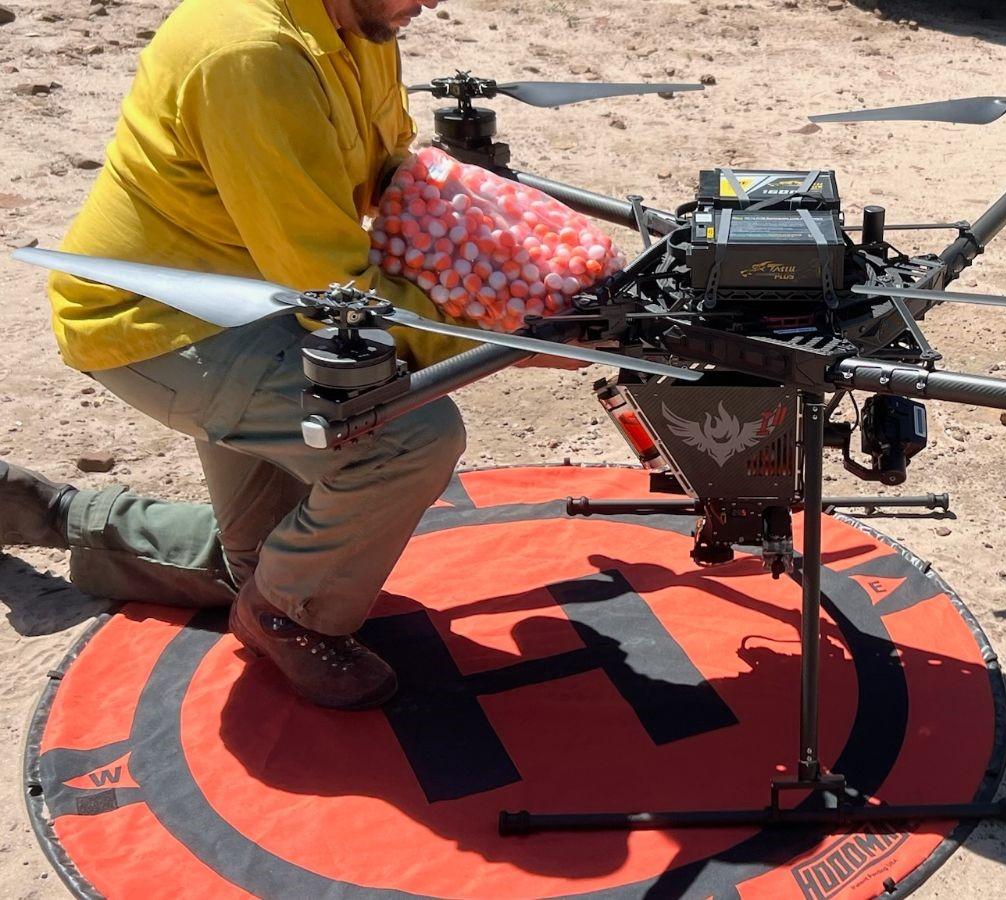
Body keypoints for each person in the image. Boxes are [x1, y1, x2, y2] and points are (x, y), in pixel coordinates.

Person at [1, 0, 576, 710]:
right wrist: (505, 341)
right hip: (162, 325)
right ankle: (284, 619)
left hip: (254, 295)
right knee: (407, 439)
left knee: (276, 557)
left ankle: (54, 513)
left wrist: (515, 255)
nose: (429, 3)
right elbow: (330, 283)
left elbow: (386, 177)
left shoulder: (359, 22)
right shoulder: (252, 55)